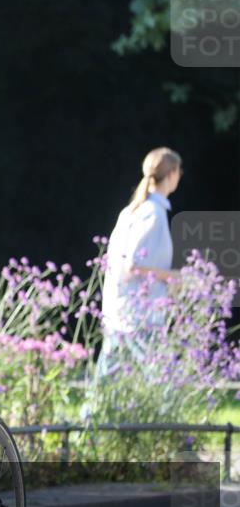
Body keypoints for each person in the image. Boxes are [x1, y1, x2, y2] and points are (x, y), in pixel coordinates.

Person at [98, 147, 182, 375]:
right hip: (140, 316)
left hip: (122, 312)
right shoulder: (153, 214)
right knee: (160, 382)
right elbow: (133, 264)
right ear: (172, 174)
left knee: (107, 385)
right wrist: (174, 277)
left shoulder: (133, 211)